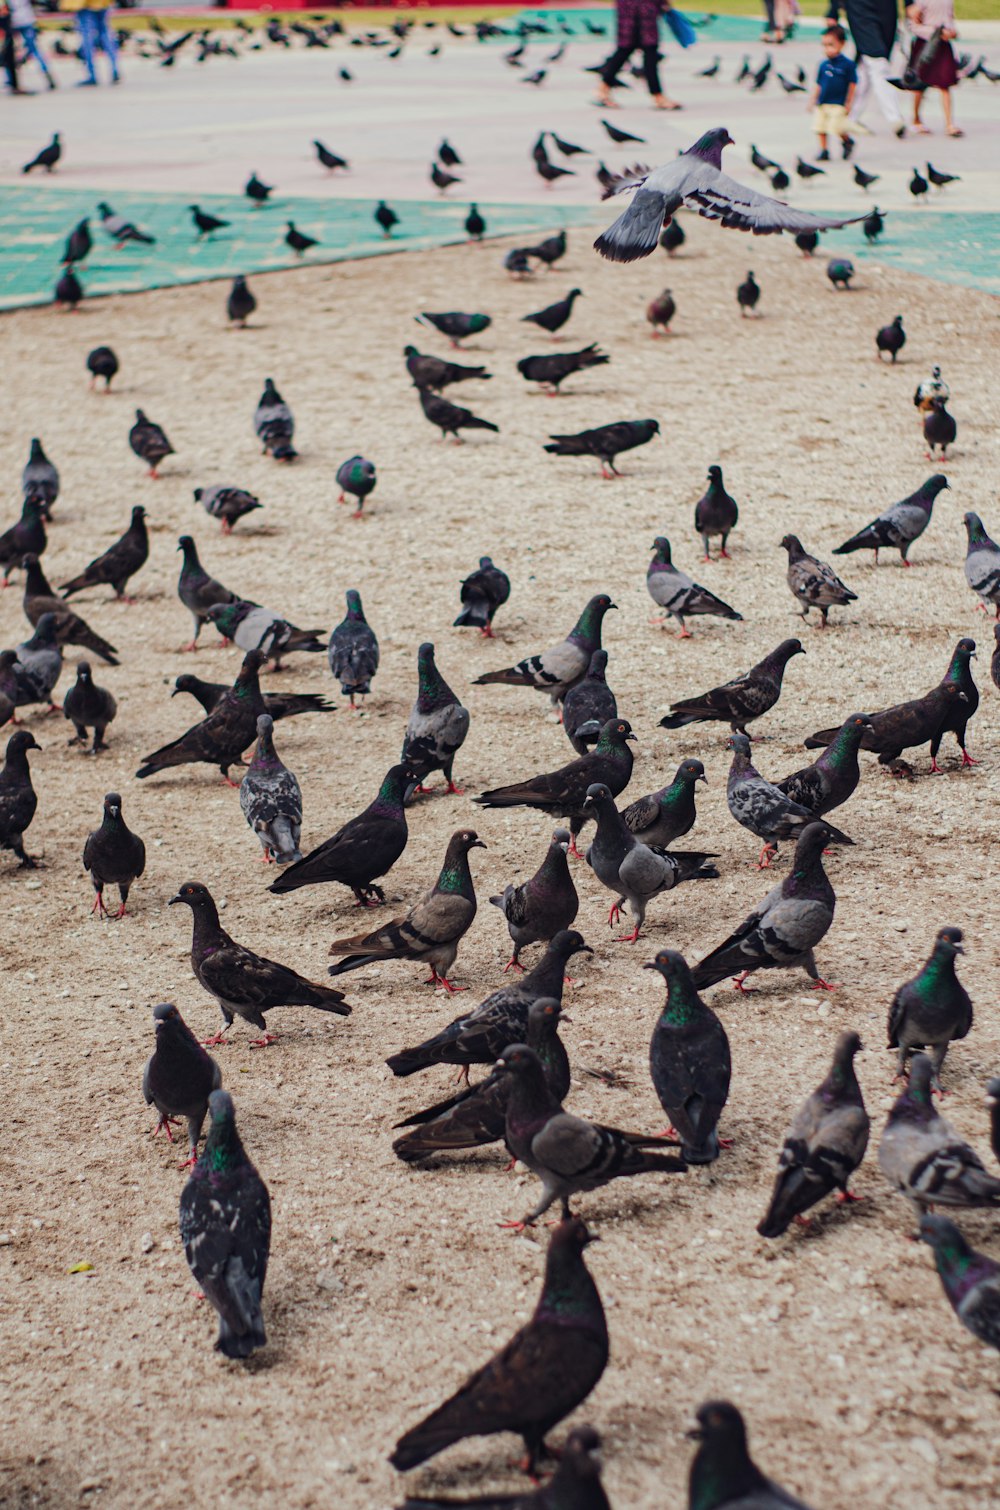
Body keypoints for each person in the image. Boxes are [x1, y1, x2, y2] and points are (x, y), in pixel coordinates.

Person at [595, 0, 681, 111]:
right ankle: (658, 96)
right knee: (643, 50)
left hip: (636, 7)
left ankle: (603, 89)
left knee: (629, 49)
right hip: (641, 7)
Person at [845, 0, 905, 136]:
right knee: (877, 62)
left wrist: (909, 4)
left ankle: (851, 116)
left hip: (885, 10)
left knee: (866, 66)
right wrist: (833, 9)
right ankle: (894, 118)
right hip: (859, 8)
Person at [907, 0, 962, 135]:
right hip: (926, 44)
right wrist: (935, 31)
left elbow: (949, 18)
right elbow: (913, 24)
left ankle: (949, 123)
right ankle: (916, 119)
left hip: (943, 44)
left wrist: (952, 32)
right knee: (919, 84)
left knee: (945, 83)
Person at [810, 24, 857, 160]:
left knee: (836, 127)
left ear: (842, 44)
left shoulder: (848, 65)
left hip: (838, 102)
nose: (827, 49)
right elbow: (819, 84)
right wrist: (814, 99)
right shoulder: (823, 65)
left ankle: (847, 141)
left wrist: (849, 102)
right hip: (823, 100)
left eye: (831, 45)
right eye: (824, 45)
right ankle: (824, 150)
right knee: (820, 126)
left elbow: (852, 84)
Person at [63, 0, 119, 86]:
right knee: (105, 34)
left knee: (87, 37)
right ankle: (115, 69)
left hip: (84, 4)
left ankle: (92, 74)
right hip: (102, 3)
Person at [11, 0, 55, 88]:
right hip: (25, 19)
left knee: (17, 50)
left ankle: (15, 75)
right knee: (33, 48)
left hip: (16, 20)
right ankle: (46, 74)